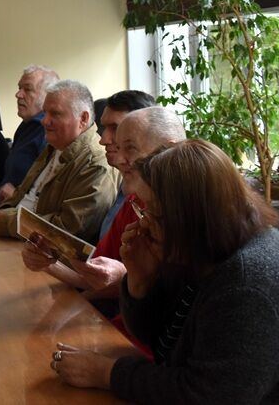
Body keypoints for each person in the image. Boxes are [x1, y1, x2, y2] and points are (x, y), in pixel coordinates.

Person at [51, 140, 279, 404]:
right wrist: (140, 280)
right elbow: (160, 342)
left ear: (189, 216)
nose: (143, 223)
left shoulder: (248, 288)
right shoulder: (205, 248)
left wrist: (107, 373)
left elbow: (205, 395)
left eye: (153, 213)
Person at [23, 106, 184, 351]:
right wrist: (49, 261)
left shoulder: (193, 216)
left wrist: (130, 281)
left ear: (170, 149)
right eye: (119, 148)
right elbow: (98, 277)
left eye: (129, 148)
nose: (118, 159)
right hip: (120, 337)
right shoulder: (134, 202)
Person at [0, 79, 118, 244]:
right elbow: (19, 195)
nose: (44, 121)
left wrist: (6, 221)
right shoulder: (54, 146)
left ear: (83, 118)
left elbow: (68, 230)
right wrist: (0, 215)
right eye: (45, 112)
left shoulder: (96, 164)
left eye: (55, 114)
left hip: (42, 254)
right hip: (16, 238)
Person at [0, 65, 58, 205]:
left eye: (28, 89)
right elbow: (18, 174)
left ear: (48, 96)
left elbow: (46, 189)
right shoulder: (26, 125)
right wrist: (0, 188)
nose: (18, 94)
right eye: (19, 88)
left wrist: (17, 195)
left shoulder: (48, 131)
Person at [93, 90, 156, 240]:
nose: (103, 140)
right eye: (103, 128)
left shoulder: (154, 197)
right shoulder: (127, 184)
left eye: (115, 128)